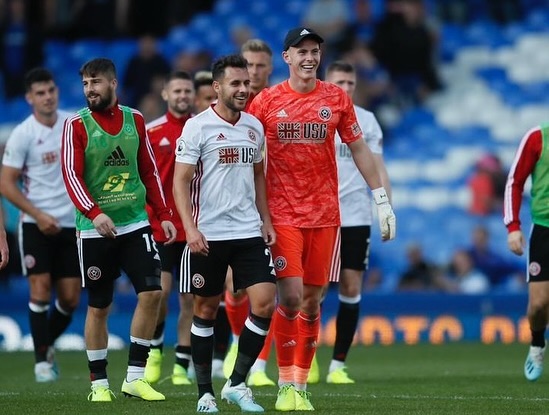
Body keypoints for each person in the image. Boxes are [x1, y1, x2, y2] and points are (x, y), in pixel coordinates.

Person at [247, 27, 396, 411]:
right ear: (287, 57)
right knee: (291, 296)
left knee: (313, 302)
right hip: (282, 216)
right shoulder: (265, 102)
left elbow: (360, 149)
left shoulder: (336, 100)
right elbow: (248, 155)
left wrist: (381, 199)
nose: (310, 57)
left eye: (315, 51)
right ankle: (284, 385)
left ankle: (300, 385)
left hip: (327, 216)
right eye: (302, 52)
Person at [60, 58, 176, 402]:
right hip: (95, 230)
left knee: (153, 292)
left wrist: (164, 212)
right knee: (99, 305)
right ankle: (99, 384)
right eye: (85, 84)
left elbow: (149, 170)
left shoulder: (135, 119)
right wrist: (94, 214)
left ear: (113, 84)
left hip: (135, 222)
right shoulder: (76, 125)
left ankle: (135, 378)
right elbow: (71, 175)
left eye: (95, 82)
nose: (89, 90)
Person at [173, 54, 276, 413]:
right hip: (209, 234)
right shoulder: (197, 127)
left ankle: (236, 383)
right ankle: (205, 393)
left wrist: (265, 219)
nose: (244, 89)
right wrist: (190, 229)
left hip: (247, 230)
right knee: (205, 310)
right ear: (217, 88)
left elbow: (259, 174)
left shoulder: (254, 127)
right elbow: (180, 182)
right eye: (236, 83)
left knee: (265, 302)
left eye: (246, 83)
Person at [0, 67, 79, 382]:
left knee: (71, 298)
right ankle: (41, 361)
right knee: (40, 289)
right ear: (29, 98)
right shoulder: (23, 134)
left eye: (51, 91)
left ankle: (44, 343)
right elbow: (6, 184)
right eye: (40, 93)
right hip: (35, 224)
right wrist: (38, 214)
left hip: (72, 223)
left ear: (56, 91)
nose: (47, 97)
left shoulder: (72, 125)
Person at [322, 60, 392, 384]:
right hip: (319, 215)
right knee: (314, 290)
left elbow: (377, 167)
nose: (346, 89)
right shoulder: (314, 117)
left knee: (351, 286)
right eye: (340, 83)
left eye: (350, 83)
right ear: (327, 82)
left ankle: (338, 364)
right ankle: (304, 360)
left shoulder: (367, 121)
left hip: (355, 216)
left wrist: (385, 207)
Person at [222, 37, 276, 388]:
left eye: (259, 66)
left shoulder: (277, 102)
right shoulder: (229, 107)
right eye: (249, 65)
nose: (254, 72)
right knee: (234, 287)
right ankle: (237, 343)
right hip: (234, 207)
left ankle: (258, 363)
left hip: (277, 205)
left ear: (269, 69)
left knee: (269, 289)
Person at [142, 71, 194, 387]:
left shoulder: (202, 128)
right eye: (176, 90)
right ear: (165, 94)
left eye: (187, 90)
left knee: (189, 298)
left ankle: (181, 366)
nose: (183, 95)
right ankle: (156, 349)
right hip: (159, 226)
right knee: (159, 294)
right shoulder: (151, 132)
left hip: (191, 227)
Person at [504, 122, 549, 382]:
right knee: (539, 304)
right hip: (545, 228)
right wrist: (513, 226)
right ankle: (537, 344)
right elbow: (515, 182)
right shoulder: (537, 137)